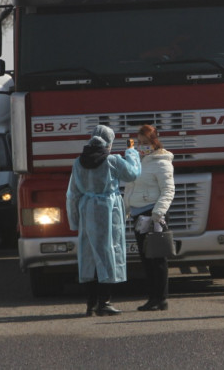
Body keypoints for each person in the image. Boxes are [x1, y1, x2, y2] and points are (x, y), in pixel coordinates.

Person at [66, 125, 141, 316]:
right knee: (108, 252)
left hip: (86, 209)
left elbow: (72, 194)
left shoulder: (78, 162)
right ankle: (104, 302)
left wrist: (74, 220)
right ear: (109, 142)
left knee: (89, 255)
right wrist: (131, 152)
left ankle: (90, 304)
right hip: (108, 209)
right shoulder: (112, 160)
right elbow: (132, 174)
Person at [123, 124, 175, 311]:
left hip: (153, 214)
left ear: (154, 141)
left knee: (157, 258)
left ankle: (161, 298)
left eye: (145, 142)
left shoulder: (161, 162)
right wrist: (126, 208)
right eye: (139, 142)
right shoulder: (138, 161)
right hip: (139, 215)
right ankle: (153, 297)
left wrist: (158, 213)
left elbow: (168, 190)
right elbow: (130, 187)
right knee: (146, 258)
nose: (141, 146)